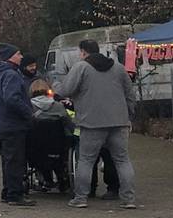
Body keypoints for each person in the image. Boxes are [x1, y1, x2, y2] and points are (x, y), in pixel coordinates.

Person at [53, 39, 137, 209]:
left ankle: (81, 198)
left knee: (86, 161)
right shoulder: (118, 68)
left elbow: (66, 90)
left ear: (83, 52)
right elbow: (130, 93)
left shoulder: (81, 67)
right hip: (118, 122)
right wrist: (128, 115)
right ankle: (128, 199)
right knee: (122, 160)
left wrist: (55, 86)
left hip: (91, 123)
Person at [0, 44, 36, 206]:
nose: (21, 56)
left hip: (1, 122)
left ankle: (7, 191)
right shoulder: (11, 75)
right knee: (15, 160)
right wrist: (28, 113)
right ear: (10, 56)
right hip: (14, 124)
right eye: (18, 53)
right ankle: (15, 194)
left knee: (8, 159)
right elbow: (12, 99)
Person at [28, 79, 72, 193]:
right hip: (57, 147)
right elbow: (68, 124)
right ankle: (62, 177)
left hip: (35, 148)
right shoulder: (58, 106)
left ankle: (46, 179)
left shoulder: (28, 107)